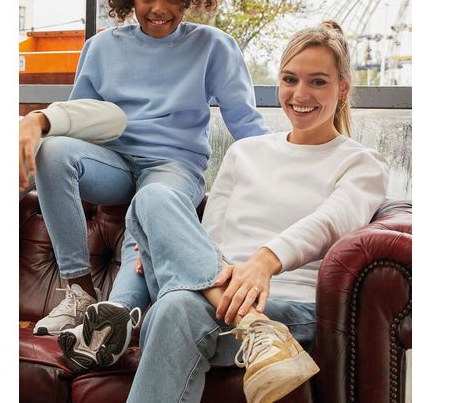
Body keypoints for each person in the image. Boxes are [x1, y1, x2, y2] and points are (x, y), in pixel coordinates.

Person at [55, 21, 389, 402]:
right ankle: (254, 328)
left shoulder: (362, 163)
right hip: (217, 304)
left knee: (176, 308)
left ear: (343, 88)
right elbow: (208, 241)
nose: (300, 94)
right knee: (153, 197)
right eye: (290, 79)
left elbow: (332, 221)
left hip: (290, 308)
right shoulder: (244, 152)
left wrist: (264, 262)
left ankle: (258, 324)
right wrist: (169, 243)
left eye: (318, 82)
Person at [18, 0, 268, 341]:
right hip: (112, 165)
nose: (159, 8)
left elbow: (248, 127)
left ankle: (113, 322)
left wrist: (286, 176)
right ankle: (80, 294)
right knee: (53, 150)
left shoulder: (214, 46)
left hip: (174, 168)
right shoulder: (101, 48)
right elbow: (76, 122)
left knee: (150, 207)